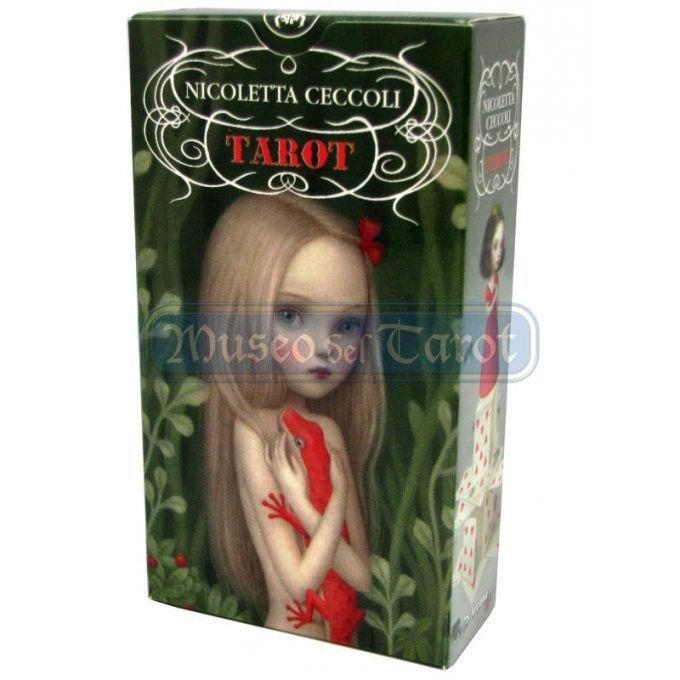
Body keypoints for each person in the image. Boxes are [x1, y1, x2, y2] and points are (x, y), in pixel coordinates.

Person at [199, 194, 385, 645]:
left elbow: (361, 576)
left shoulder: (328, 431)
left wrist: (311, 504)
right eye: (290, 315)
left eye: (346, 325)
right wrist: (315, 502)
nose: (322, 347)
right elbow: (300, 583)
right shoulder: (254, 432)